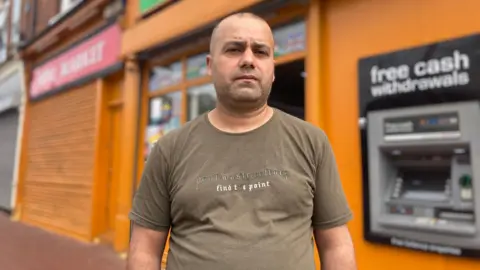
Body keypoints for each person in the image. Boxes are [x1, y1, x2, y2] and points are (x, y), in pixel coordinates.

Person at [126, 12, 356, 270]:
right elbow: (144, 249)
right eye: (234, 49)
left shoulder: (312, 142)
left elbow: (336, 244)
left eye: (260, 52)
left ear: (272, 69)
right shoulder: (170, 149)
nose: (248, 60)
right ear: (210, 65)